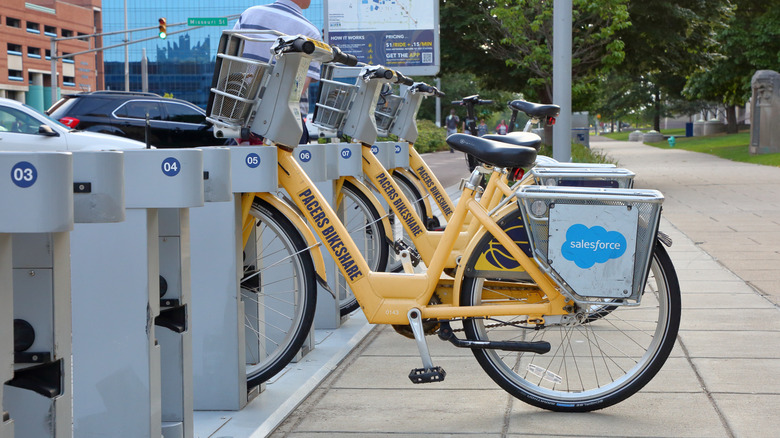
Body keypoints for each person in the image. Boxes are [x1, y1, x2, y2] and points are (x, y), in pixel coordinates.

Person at [234, 0, 321, 144]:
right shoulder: (309, 33)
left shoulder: (249, 14)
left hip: (241, 113)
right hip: (282, 121)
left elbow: (232, 60)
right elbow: (296, 91)